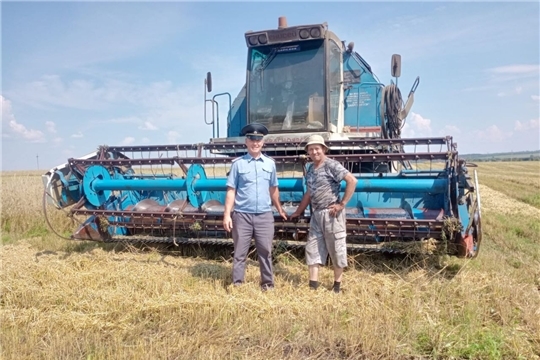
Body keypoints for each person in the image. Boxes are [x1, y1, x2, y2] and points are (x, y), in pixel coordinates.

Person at [223, 123, 288, 291]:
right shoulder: (238, 164)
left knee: (265, 252)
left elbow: (273, 188)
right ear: (246, 141)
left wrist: (279, 208)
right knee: (239, 253)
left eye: (258, 140)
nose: (255, 143)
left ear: (263, 142)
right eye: (252, 139)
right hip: (242, 215)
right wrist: (227, 215)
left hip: (264, 216)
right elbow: (231, 190)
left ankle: (267, 284)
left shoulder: (270, 164)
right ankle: (238, 284)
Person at [290, 135, 358, 293]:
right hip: (316, 215)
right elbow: (308, 193)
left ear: (324, 149)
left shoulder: (332, 165)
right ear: (307, 151)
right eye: (311, 149)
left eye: (317, 148)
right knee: (312, 249)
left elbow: (352, 180)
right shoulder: (310, 169)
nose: (314, 152)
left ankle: (337, 287)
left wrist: (342, 204)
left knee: (336, 250)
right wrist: (298, 212)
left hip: (332, 214)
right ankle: (313, 287)